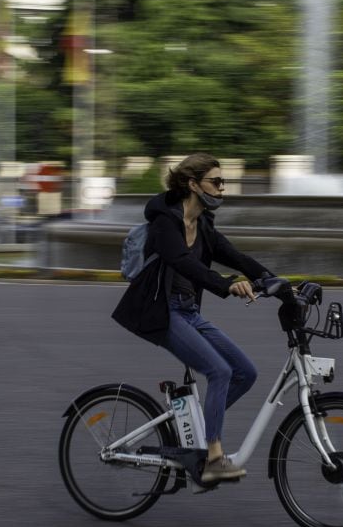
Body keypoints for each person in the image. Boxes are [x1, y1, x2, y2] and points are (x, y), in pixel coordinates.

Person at [112, 153, 273, 483]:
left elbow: (236, 256)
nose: (222, 189)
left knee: (245, 372)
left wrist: (282, 285)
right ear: (192, 184)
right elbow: (183, 262)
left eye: (223, 182)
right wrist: (227, 285)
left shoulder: (204, 226)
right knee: (219, 371)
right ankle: (213, 457)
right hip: (161, 312)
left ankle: (195, 430)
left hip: (188, 312)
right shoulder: (164, 222)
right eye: (216, 182)